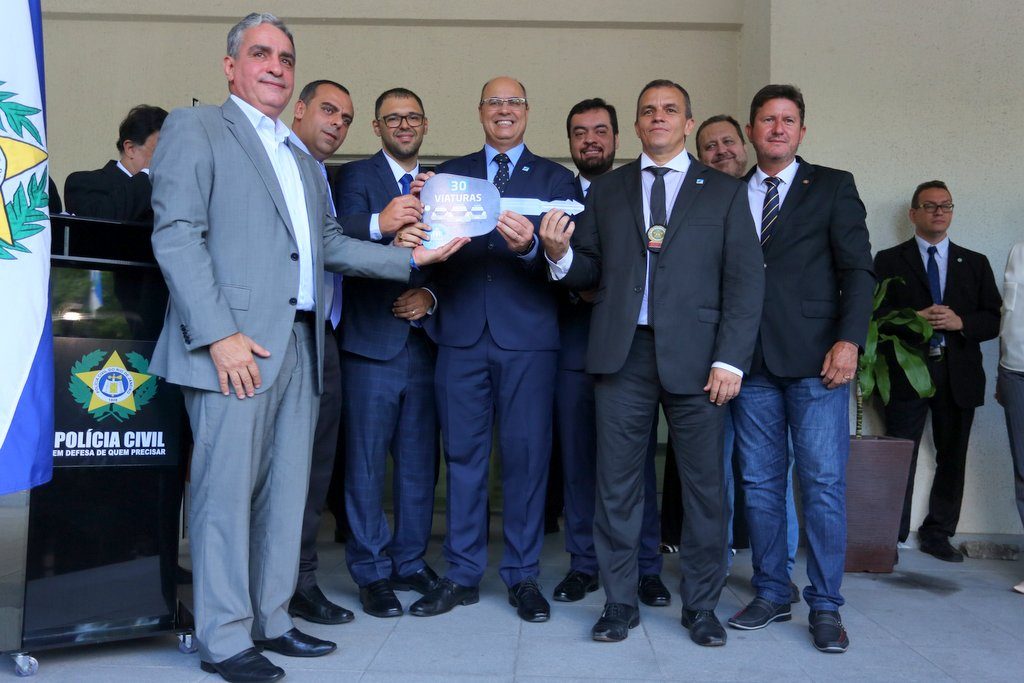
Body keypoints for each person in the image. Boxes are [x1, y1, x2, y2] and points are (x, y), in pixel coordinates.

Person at [148, 13, 463, 683]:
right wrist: (219, 334)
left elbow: (331, 246)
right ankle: (224, 637)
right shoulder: (196, 127)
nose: (276, 67)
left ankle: (272, 619)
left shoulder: (299, 158)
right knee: (224, 495)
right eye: (261, 54)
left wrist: (414, 260)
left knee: (287, 494)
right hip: (234, 344)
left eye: (286, 58)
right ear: (231, 66)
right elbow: (176, 236)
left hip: (302, 340)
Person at [541, 79, 764, 647]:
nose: (658, 117)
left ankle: (702, 606)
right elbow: (590, 269)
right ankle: (619, 603)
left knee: (704, 491)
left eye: (670, 109)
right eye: (648, 111)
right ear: (637, 126)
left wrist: (731, 360)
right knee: (616, 487)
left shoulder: (723, 191)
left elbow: (744, 282)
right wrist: (560, 256)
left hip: (701, 358)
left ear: (687, 123)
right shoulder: (608, 190)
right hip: (623, 353)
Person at [406, 76, 576, 623]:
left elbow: (572, 265)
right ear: (481, 111)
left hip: (528, 342)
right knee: (462, 458)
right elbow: (428, 251)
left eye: (514, 102)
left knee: (527, 459)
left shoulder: (557, 178)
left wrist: (532, 251)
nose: (504, 110)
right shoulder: (448, 178)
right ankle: (461, 574)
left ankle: (523, 575)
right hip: (460, 338)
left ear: (527, 111)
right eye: (494, 102)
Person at [728, 84, 874, 654]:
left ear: (802, 131)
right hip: (751, 363)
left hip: (819, 362)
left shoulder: (833, 186)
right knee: (761, 485)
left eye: (788, 120)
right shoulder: (729, 193)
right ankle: (771, 591)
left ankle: (826, 605)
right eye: (767, 119)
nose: (778, 128)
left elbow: (857, 270)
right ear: (751, 130)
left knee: (823, 484)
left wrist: (849, 341)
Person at [550, 98, 669, 608]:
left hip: (631, 349)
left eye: (600, 130)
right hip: (575, 342)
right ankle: (584, 564)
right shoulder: (553, 193)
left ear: (618, 138)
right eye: (580, 133)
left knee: (634, 462)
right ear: (570, 142)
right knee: (579, 458)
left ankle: (646, 567)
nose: (590, 140)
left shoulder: (640, 190)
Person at [332, 87, 441, 617]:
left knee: (420, 466)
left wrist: (431, 296)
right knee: (366, 466)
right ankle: (371, 570)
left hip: (425, 345)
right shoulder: (354, 176)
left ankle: (410, 561)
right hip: (370, 345)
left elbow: (461, 260)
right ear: (376, 127)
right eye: (392, 118)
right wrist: (386, 227)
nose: (403, 125)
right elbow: (339, 235)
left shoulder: (443, 185)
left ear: (425, 125)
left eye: (412, 117)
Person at [874, 181, 1001, 561]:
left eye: (946, 205)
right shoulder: (888, 260)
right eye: (930, 206)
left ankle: (938, 534)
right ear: (913, 213)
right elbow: (873, 315)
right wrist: (911, 318)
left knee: (952, 456)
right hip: (907, 372)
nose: (939, 212)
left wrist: (962, 322)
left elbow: (993, 318)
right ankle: (889, 537)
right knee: (900, 454)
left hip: (957, 373)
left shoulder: (974, 262)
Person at [286, 78, 357, 626]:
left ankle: (300, 580)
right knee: (274, 474)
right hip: (274, 335)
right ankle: (265, 587)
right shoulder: (277, 162)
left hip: (322, 336)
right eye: (329, 110)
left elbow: (331, 245)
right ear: (300, 109)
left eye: (346, 118)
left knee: (314, 470)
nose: (337, 123)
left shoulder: (321, 175)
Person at [64, 104, 168, 221]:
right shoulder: (84, 183)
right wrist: (147, 176)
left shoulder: (170, 193)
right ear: (131, 149)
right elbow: (96, 223)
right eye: (161, 151)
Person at [997, 240, 1024, 594]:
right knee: (1023, 471)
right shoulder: (1019, 250)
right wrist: (1002, 373)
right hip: (1015, 371)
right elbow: (1010, 315)